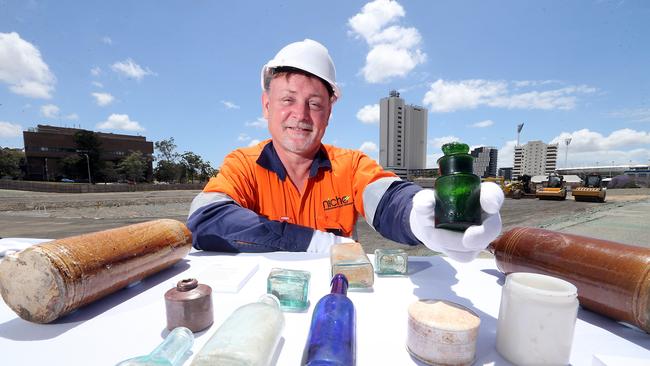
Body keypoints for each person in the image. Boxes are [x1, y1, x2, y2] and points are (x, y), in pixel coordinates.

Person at [187, 39, 503, 262]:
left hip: (338, 298)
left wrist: (421, 215)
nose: (301, 114)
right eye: (288, 100)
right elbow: (205, 219)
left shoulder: (350, 165)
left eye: (315, 104)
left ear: (329, 112)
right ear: (266, 105)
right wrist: (312, 241)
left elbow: (388, 199)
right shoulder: (243, 165)